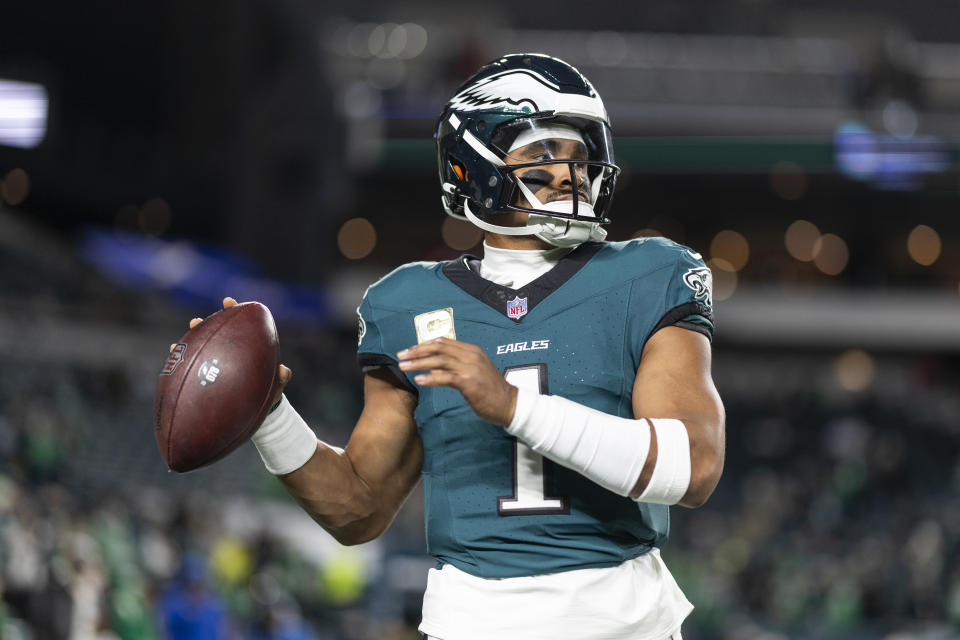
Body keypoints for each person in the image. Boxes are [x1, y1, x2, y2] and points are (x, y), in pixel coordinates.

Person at [189, 53, 725, 639]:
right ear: (475, 164)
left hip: (621, 623)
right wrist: (269, 415)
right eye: (545, 153)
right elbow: (359, 507)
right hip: (470, 623)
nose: (571, 174)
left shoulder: (648, 272)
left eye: (580, 154)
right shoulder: (407, 302)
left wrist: (515, 407)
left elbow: (692, 466)